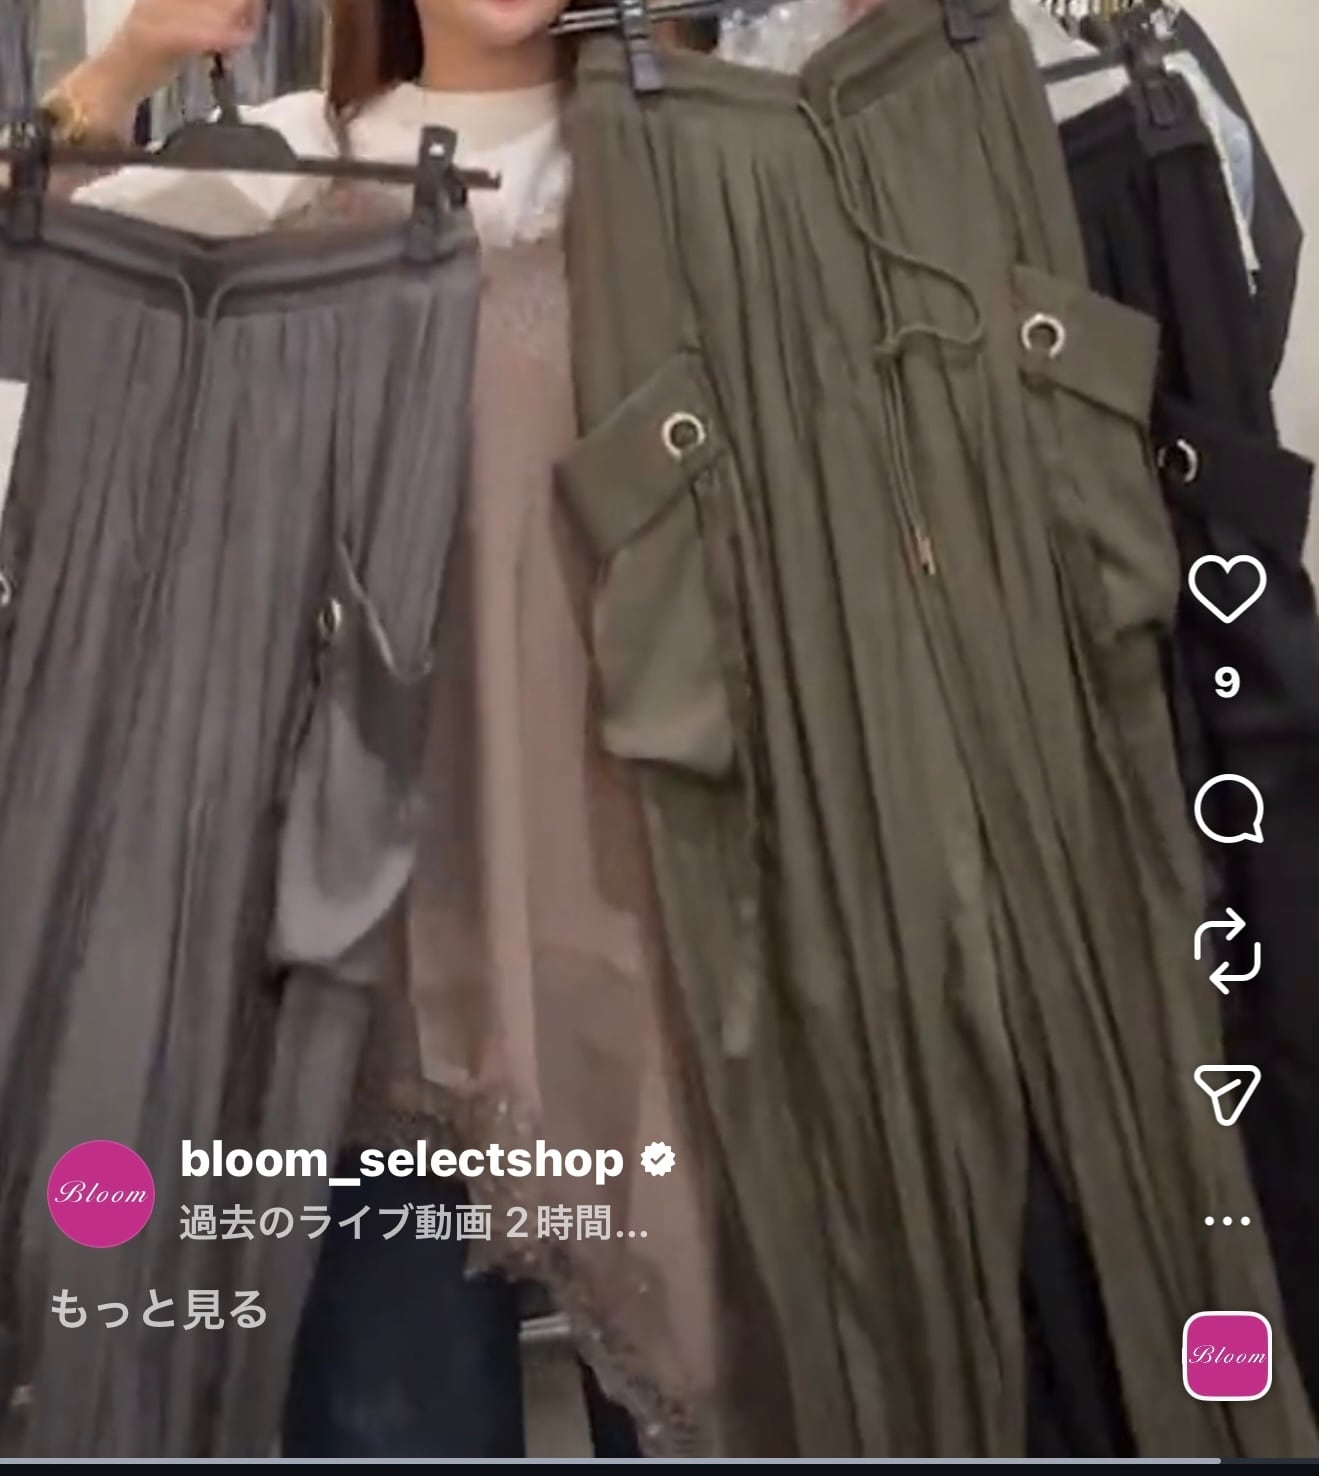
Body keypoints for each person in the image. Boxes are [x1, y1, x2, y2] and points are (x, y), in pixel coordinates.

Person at [42, 0, 740, 1458]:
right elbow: (33, 277)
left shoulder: (692, 161)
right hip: (371, 965)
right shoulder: (300, 164)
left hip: (649, 931)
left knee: (712, 1407)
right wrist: (133, 60)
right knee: (393, 1423)